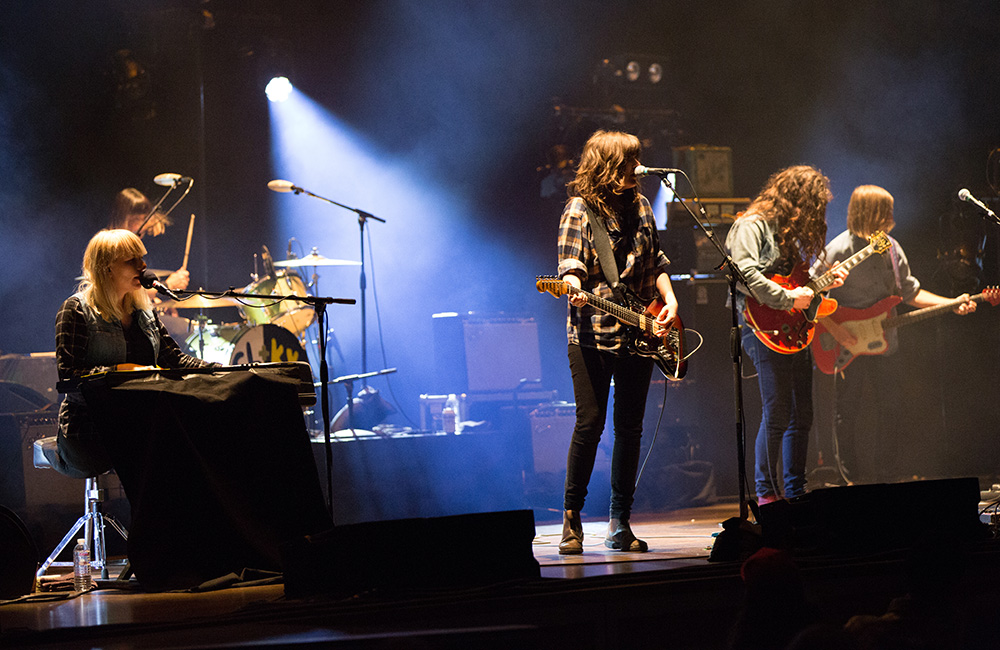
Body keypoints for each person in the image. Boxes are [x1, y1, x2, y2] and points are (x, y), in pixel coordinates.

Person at [556, 130, 678, 554]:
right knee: (590, 425)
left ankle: (619, 522)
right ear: (608, 164)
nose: (636, 167)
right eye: (629, 160)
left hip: (639, 333)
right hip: (591, 335)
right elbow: (569, 264)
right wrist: (571, 284)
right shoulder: (579, 209)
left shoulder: (642, 205)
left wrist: (670, 296)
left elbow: (657, 260)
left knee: (630, 429)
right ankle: (571, 521)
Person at [814, 185, 975, 483]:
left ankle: (886, 477)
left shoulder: (892, 248)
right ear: (870, 212)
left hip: (885, 344)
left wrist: (952, 304)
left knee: (891, 407)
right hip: (847, 346)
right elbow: (811, 299)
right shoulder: (837, 250)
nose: (891, 218)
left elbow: (910, 291)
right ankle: (848, 480)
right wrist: (836, 331)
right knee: (846, 412)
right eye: (885, 211)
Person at [726, 165, 847, 505]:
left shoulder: (786, 233)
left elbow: (800, 286)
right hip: (759, 326)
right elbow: (745, 274)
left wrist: (823, 285)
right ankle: (766, 491)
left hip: (794, 328)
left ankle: (795, 490)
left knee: (801, 413)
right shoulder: (751, 226)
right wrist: (788, 297)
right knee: (776, 409)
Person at [55, 229, 214, 478]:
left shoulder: (143, 310)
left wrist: (216, 371)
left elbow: (175, 360)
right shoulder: (75, 310)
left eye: (142, 258)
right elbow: (69, 378)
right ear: (106, 268)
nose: (143, 265)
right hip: (89, 428)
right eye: (132, 260)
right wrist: (119, 372)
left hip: (139, 422)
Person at [109, 188, 190, 293]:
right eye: (136, 219)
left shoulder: (145, 244)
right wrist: (168, 285)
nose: (142, 227)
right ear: (121, 219)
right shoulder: (111, 247)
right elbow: (125, 292)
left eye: (144, 218)